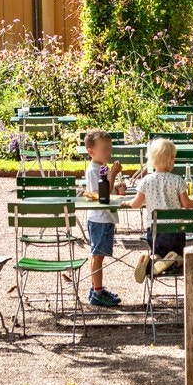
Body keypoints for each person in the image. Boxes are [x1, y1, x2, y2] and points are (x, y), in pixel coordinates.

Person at [127, 138, 193, 283]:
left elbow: (136, 204)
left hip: (155, 230)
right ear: (171, 161)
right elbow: (187, 204)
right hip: (176, 230)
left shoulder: (146, 181)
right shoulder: (177, 180)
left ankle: (152, 260)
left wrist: (127, 202)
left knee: (158, 254)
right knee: (180, 257)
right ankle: (174, 260)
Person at [82, 130, 126, 308]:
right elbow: (101, 195)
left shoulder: (101, 168)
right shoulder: (93, 170)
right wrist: (113, 176)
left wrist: (117, 189)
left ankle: (97, 288)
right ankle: (97, 292)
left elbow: (107, 192)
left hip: (106, 217)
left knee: (100, 255)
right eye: (105, 149)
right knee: (98, 256)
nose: (109, 153)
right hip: (99, 218)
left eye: (110, 149)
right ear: (91, 152)